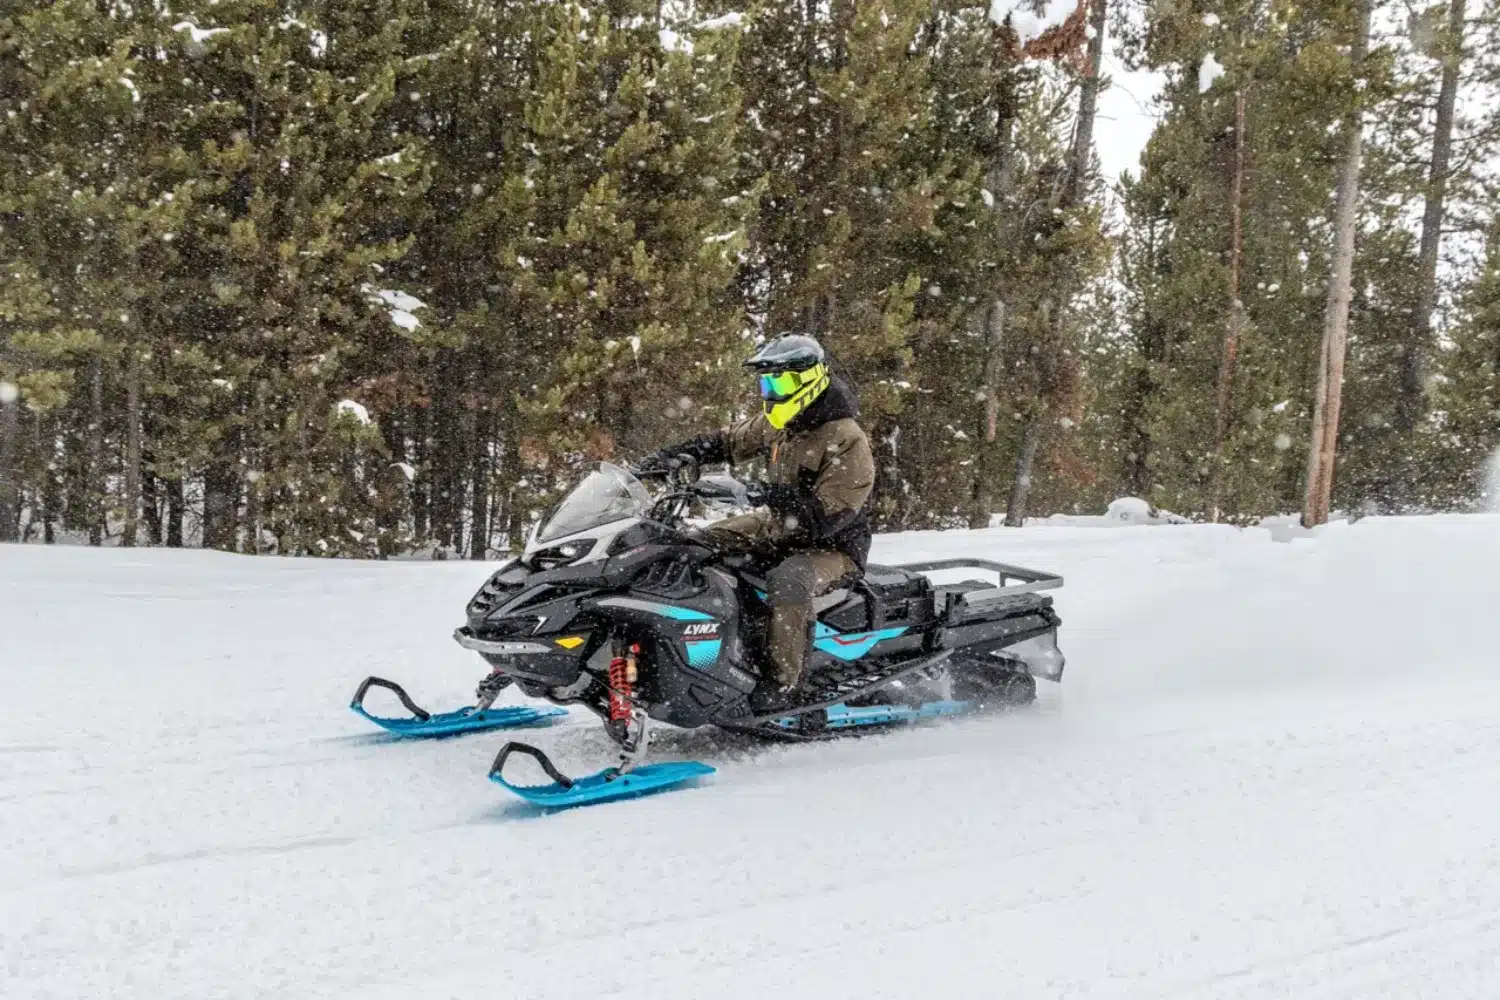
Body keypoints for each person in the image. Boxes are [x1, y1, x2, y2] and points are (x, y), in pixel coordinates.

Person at [638, 334, 875, 714]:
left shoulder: (846, 439)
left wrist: (757, 493)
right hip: (779, 525)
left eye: (778, 383)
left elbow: (827, 516)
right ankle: (698, 651)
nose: (770, 392)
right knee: (695, 544)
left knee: (789, 580)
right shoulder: (783, 423)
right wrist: (670, 457)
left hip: (833, 547)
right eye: (766, 383)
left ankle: (784, 684)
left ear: (808, 380)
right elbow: (727, 441)